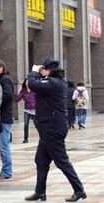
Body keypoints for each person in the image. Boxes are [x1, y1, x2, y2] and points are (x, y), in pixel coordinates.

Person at [25, 58, 87, 202]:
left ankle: (79, 190)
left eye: (43, 69)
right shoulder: (55, 82)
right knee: (40, 160)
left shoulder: (53, 83)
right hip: (49, 128)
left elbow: (33, 85)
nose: (41, 71)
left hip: (52, 128)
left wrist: (33, 72)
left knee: (62, 161)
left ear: (48, 69)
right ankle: (40, 192)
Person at [14, 78, 36, 143]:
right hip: (27, 110)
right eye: (26, 82)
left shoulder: (35, 90)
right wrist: (14, 95)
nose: (27, 83)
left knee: (37, 125)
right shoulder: (23, 91)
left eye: (29, 82)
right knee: (26, 125)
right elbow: (17, 99)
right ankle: (25, 139)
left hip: (35, 110)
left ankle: (43, 137)